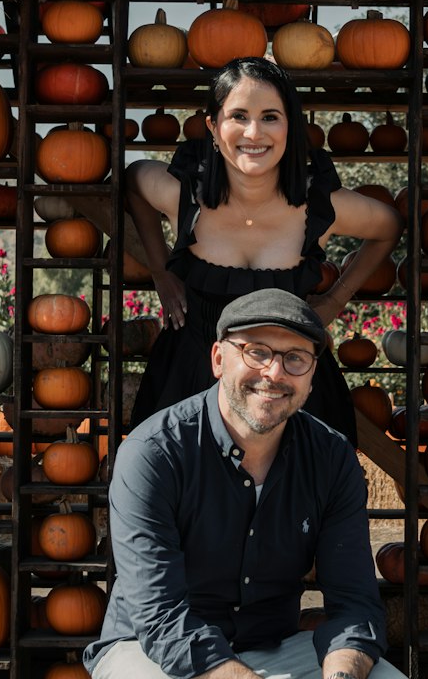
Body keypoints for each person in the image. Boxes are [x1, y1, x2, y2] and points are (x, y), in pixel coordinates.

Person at [84, 288, 425, 679]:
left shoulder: (331, 460)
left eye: (296, 359)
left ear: (313, 376)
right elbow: (163, 622)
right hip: (154, 656)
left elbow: (353, 603)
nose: (274, 372)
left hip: (267, 648)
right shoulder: (153, 453)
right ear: (218, 358)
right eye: (257, 352)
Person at [125, 55, 403, 444]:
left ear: (290, 126)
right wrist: (161, 271)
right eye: (239, 115)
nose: (254, 133)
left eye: (270, 116)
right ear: (213, 125)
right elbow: (132, 180)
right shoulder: (182, 194)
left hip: (290, 386)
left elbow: (389, 226)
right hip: (190, 376)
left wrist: (335, 300)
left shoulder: (317, 205)